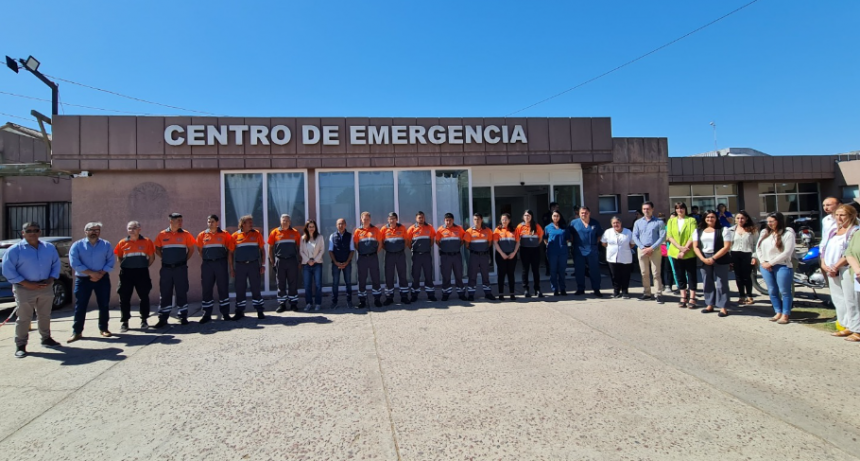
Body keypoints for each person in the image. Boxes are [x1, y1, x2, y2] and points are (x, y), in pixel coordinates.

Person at [2, 222, 61, 358]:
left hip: (45, 287)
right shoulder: (15, 250)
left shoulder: (49, 248)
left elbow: (56, 264)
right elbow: (8, 270)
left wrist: (51, 279)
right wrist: (26, 283)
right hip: (24, 288)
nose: (32, 233)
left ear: (40, 232)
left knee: (45, 315)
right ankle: (21, 345)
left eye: (36, 230)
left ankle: (46, 338)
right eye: (29, 231)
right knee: (24, 318)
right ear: (23, 233)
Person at [68, 221, 115, 341]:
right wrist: (91, 273)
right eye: (91, 230)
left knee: (103, 304)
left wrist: (100, 274)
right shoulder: (77, 245)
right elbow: (74, 262)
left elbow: (110, 261)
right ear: (85, 231)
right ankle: (77, 332)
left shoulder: (106, 244)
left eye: (97, 230)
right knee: (81, 305)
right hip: (83, 279)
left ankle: (104, 329)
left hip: (102, 278)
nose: (94, 232)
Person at [823, 204, 860, 341]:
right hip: (831, 269)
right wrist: (824, 264)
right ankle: (846, 325)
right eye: (837, 215)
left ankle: (857, 328)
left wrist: (836, 266)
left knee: (852, 300)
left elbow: (848, 252)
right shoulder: (834, 231)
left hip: (846, 269)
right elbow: (825, 248)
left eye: (842, 215)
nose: (839, 218)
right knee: (839, 299)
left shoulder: (854, 231)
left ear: (851, 216)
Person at [153, 213, 197, 327]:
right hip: (166, 269)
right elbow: (157, 248)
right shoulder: (162, 234)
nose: (180, 223)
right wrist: (165, 258)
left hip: (180, 269)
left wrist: (183, 261)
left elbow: (191, 249)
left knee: (181, 291)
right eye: (178, 220)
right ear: (171, 221)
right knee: (165, 293)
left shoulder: (186, 234)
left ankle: (182, 315)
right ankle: (163, 317)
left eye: (181, 220)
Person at [114, 221, 155, 332]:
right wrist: (126, 267)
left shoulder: (147, 241)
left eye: (134, 228)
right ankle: (125, 322)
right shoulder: (122, 242)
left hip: (142, 273)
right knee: (124, 298)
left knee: (144, 297)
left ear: (139, 229)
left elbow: (151, 258)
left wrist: (142, 266)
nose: (131, 230)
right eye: (129, 228)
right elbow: (119, 257)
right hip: (126, 274)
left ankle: (144, 320)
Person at [756, 212, 796, 324]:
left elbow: (787, 252)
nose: (769, 224)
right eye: (768, 221)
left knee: (784, 291)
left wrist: (771, 263)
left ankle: (785, 314)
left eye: (772, 221)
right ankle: (777, 311)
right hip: (765, 265)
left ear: (779, 221)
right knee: (772, 290)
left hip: (782, 265)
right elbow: (758, 248)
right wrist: (763, 262)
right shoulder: (765, 232)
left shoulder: (788, 233)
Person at [693, 210, 733, 317]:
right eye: (708, 217)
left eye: (712, 217)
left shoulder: (723, 230)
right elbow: (695, 246)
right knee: (707, 282)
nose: (710, 219)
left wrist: (714, 258)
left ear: (716, 218)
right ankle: (709, 304)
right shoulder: (698, 231)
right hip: (704, 258)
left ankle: (723, 307)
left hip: (720, 257)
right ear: (704, 218)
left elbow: (726, 246)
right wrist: (703, 258)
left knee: (722, 283)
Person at [197, 215, 235, 322]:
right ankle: (206, 314)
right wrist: (208, 259)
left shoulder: (225, 234)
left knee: (223, 288)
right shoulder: (202, 235)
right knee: (207, 289)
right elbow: (200, 250)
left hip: (221, 264)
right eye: (209, 221)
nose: (210, 223)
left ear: (217, 222)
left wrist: (229, 265)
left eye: (212, 221)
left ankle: (225, 313)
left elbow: (230, 250)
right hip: (207, 265)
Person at [231, 215, 266, 320]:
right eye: (249, 222)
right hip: (240, 266)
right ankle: (239, 311)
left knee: (256, 288)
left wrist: (263, 264)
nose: (251, 224)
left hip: (253, 265)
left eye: (252, 222)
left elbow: (262, 250)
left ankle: (259, 310)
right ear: (243, 224)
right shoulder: (235, 236)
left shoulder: (256, 234)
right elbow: (230, 253)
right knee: (240, 288)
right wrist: (232, 268)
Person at [632, 202, 667, 304]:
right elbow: (635, 236)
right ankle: (647, 293)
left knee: (656, 273)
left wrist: (652, 248)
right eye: (644, 209)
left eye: (648, 209)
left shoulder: (659, 222)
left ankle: (658, 294)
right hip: (642, 249)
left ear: (652, 209)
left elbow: (662, 236)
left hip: (654, 250)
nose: (646, 211)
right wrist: (642, 247)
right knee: (644, 273)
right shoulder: (638, 222)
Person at [666, 203, 699, 309]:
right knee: (680, 275)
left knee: (691, 275)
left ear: (685, 209)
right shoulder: (671, 221)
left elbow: (693, 235)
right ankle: (683, 297)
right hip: (675, 252)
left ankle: (692, 298)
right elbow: (669, 235)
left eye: (682, 208)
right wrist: (679, 248)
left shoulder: (691, 220)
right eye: (677, 208)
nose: (680, 210)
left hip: (689, 252)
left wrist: (684, 250)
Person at [268, 214, 301, 312]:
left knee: (293, 282)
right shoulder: (274, 232)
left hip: (292, 260)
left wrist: (299, 260)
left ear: (290, 222)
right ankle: (282, 304)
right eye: (283, 220)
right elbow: (270, 247)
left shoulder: (295, 233)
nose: (285, 222)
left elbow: (299, 248)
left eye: (287, 220)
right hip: (280, 260)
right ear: (280, 221)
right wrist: (272, 260)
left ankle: (293, 303)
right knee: (280, 282)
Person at [571, 206, 603, 297]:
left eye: (585, 213)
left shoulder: (595, 223)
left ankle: (596, 289)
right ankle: (580, 289)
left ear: (589, 213)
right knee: (579, 270)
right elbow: (570, 236)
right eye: (582, 213)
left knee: (594, 270)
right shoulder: (574, 223)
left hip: (592, 250)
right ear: (579, 213)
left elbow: (599, 236)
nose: (584, 214)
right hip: (579, 250)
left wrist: (593, 245)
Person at [354, 212, 383, 308]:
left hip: (373, 257)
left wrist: (374, 253)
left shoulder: (375, 230)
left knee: (375, 278)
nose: (365, 220)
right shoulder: (358, 231)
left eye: (367, 219)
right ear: (361, 219)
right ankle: (362, 301)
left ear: (370, 219)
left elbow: (380, 244)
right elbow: (356, 245)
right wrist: (362, 252)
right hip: (362, 258)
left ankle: (377, 299)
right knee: (362, 279)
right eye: (364, 219)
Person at [464, 213, 496, 301]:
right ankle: (471, 294)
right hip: (474, 256)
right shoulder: (469, 231)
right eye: (475, 219)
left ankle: (488, 293)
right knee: (472, 275)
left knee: (485, 275)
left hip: (484, 256)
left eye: (478, 219)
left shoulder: (488, 231)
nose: (476, 221)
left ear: (481, 220)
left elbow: (489, 243)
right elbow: (467, 245)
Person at [729, 211, 758, 305]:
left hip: (747, 254)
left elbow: (756, 245)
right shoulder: (731, 230)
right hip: (735, 254)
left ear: (746, 219)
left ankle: (749, 295)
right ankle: (741, 295)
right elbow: (729, 245)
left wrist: (754, 256)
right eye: (738, 218)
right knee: (738, 276)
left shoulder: (752, 230)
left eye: (742, 218)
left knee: (747, 276)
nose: (740, 220)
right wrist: (729, 259)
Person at [436, 213, 468, 301]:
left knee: (459, 275)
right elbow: (437, 242)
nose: (448, 222)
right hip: (445, 256)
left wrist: (454, 248)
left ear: (453, 220)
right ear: (444, 220)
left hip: (456, 255)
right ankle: (446, 293)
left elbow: (462, 241)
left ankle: (461, 293)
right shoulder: (440, 230)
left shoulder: (459, 229)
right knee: (446, 276)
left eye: (450, 220)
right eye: (446, 220)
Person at [601, 216, 634, 298]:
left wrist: (623, 248)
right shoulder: (608, 232)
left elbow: (632, 243)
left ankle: (625, 292)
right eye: (614, 223)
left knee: (625, 275)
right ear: (611, 224)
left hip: (625, 257)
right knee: (614, 275)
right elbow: (603, 243)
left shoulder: (628, 232)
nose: (616, 224)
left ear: (621, 223)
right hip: (612, 257)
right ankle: (616, 291)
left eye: (617, 223)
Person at [381, 212, 410, 306]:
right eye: (390, 218)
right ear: (387, 220)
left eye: (393, 218)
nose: (392, 220)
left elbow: (406, 241)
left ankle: (404, 296)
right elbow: (381, 242)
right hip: (389, 255)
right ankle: (389, 297)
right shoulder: (384, 229)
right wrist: (390, 250)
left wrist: (399, 249)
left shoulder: (402, 228)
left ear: (396, 219)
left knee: (402, 275)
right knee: (389, 276)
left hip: (400, 255)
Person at [407, 211, 436, 302]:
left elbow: (431, 241)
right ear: (416, 218)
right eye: (419, 217)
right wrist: (414, 249)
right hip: (416, 255)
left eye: (422, 217)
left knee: (428, 275)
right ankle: (414, 295)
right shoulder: (411, 228)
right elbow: (408, 242)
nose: (421, 219)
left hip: (427, 255)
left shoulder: (430, 227)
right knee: (415, 276)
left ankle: (430, 294)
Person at [516, 210, 544, 298]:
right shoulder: (520, 226)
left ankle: (537, 289)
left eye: (529, 215)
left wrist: (535, 244)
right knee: (525, 270)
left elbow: (540, 237)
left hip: (535, 250)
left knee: (535, 270)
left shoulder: (536, 226)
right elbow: (517, 239)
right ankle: (526, 289)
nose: (527, 217)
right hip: (524, 250)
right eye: (525, 215)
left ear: (531, 216)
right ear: (523, 217)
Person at [328, 218, 354, 309]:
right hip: (336, 263)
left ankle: (349, 301)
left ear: (345, 225)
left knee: (348, 282)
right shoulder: (332, 236)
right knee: (335, 283)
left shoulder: (350, 236)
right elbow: (330, 251)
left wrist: (347, 262)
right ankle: (334, 302)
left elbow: (352, 250)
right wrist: (336, 262)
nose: (340, 225)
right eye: (339, 224)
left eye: (342, 224)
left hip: (347, 263)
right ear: (336, 225)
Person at [493, 213, 520, 301]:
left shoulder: (514, 230)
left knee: (511, 274)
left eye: (506, 219)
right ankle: (501, 294)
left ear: (509, 220)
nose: (504, 221)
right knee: (501, 274)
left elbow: (518, 242)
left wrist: (514, 253)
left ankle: (512, 294)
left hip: (512, 254)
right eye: (502, 219)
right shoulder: (497, 229)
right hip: (501, 255)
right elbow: (495, 243)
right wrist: (502, 253)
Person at [300, 220, 325, 311]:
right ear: (307, 228)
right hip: (306, 265)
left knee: (318, 284)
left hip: (317, 264)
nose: (311, 228)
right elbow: (301, 251)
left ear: (315, 227)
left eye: (313, 226)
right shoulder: (303, 238)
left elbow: (322, 250)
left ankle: (318, 303)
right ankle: (309, 303)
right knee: (307, 285)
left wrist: (314, 260)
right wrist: (308, 261)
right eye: (309, 227)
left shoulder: (320, 237)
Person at [544, 210, 570, 296]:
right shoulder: (548, 227)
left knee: (562, 271)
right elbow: (545, 238)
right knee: (553, 271)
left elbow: (568, 238)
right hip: (552, 252)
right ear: (552, 217)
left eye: (557, 216)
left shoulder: (564, 227)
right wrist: (548, 245)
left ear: (560, 217)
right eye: (554, 216)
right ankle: (555, 289)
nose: (556, 217)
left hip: (562, 252)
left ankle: (563, 288)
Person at [542, 202, 565, 276]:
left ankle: (560, 270)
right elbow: (545, 225)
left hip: (559, 238)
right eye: (556, 207)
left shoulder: (560, 215)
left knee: (559, 257)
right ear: (552, 208)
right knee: (548, 256)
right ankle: (548, 270)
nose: (557, 209)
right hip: (549, 238)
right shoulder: (546, 215)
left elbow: (563, 224)